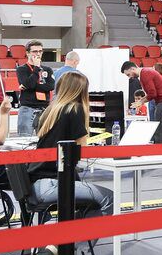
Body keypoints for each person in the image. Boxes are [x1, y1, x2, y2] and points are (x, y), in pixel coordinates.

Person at [28, 71, 114, 219]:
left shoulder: (50, 111)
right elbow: (82, 149)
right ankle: (74, 239)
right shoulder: (75, 109)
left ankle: (70, 235)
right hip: (54, 182)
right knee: (108, 198)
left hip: (35, 181)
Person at [122, 60, 162, 143]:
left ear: (132, 69)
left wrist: (141, 102)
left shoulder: (145, 74)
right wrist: (141, 100)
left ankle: (159, 153)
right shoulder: (145, 73)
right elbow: (152, 93)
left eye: (128, 74)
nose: (129, 77)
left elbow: (152, 93)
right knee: (158, 131)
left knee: (159, 132)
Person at [15, 41, 55, 136]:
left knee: (44, 139)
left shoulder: (47, 69)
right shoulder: (22, 69)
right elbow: (29, 84)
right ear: (28, 53)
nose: (38, 54)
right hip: (28, 108)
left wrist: (31, 86)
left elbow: (51, 86)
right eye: (34, 51)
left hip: (44, 108)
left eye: (40, 51)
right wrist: (36, 68)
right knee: (24, 139)